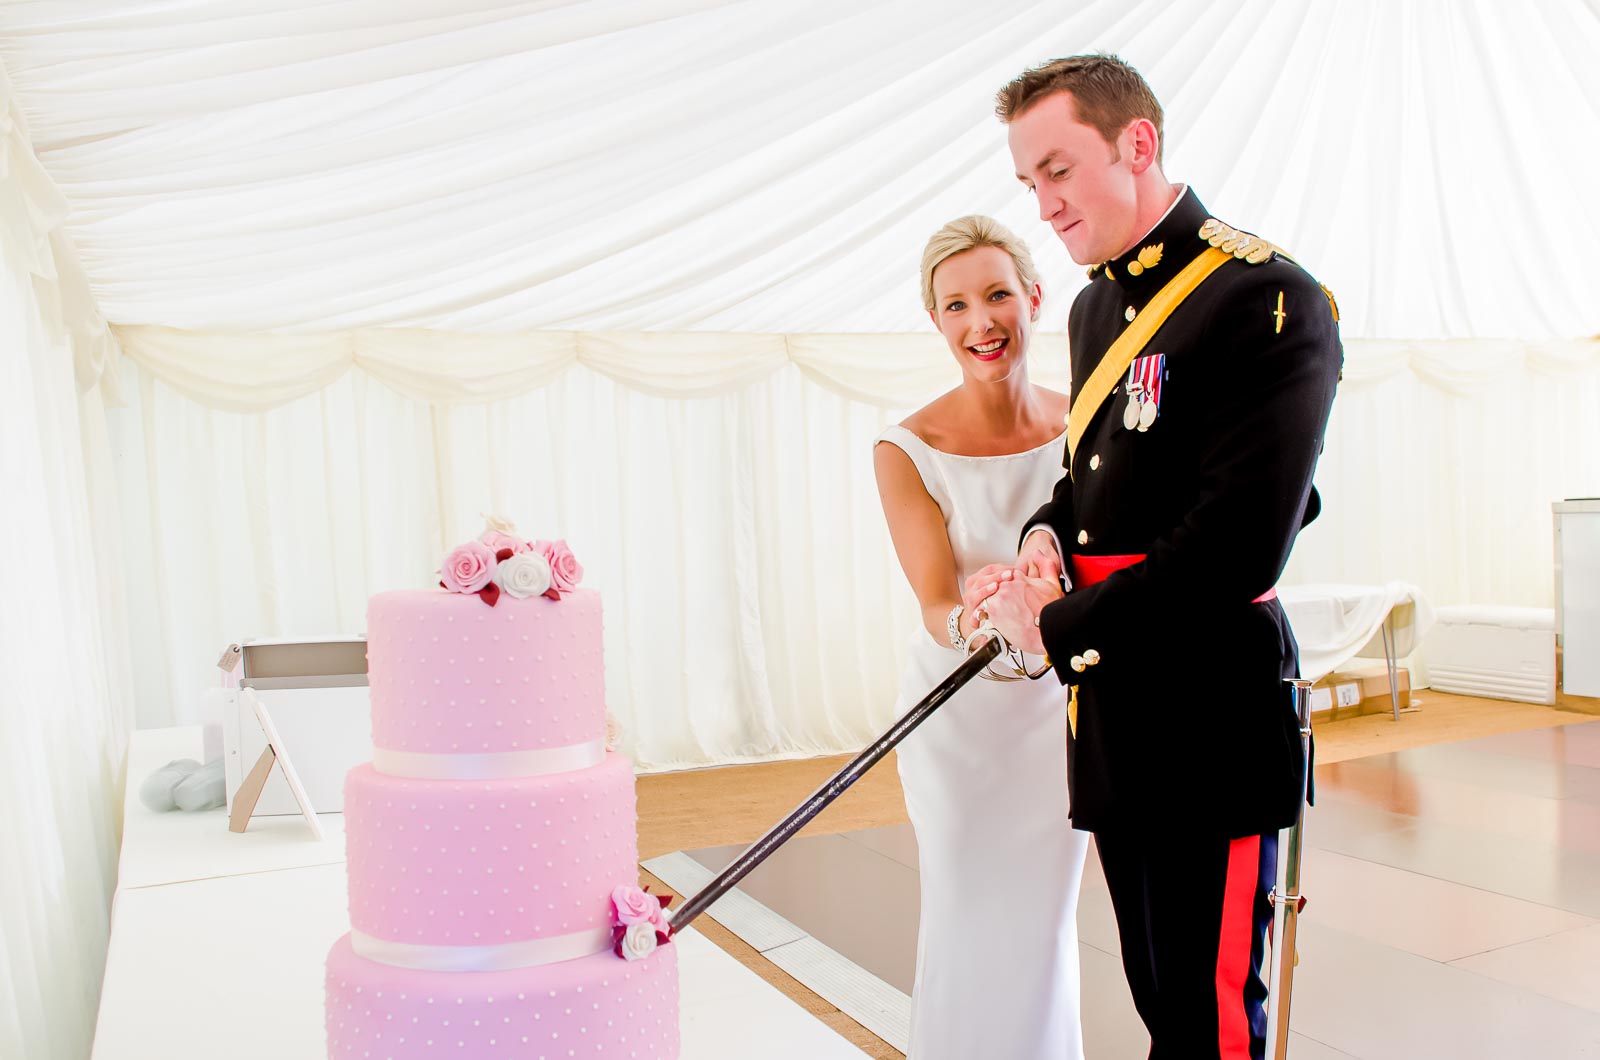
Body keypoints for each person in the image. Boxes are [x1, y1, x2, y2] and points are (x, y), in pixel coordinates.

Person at [968, 55, 1343, 1060]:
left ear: (1136, 144)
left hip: (1207, 713)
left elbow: (1238, 542)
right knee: (1160, 1003)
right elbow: (1089, 491)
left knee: (1209, 1023)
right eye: (1028, 183)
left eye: (1057, 169)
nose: (1043, 205)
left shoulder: (1262, 298)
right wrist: (1043, 543)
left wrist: (1051, 629)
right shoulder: (1098, 305)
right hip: (1119, 712)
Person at [873, 215, 1088, 1060]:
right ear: (936, 321)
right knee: (964, 915)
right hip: (956, 722)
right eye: (955, 304)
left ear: (1034, 298)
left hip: (1059, 719)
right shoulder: (906, 447)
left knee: (1041, 928)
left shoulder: (1085, 429)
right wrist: (975, 617)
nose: (980, 321)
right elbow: (933, 599)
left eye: (998, 294)